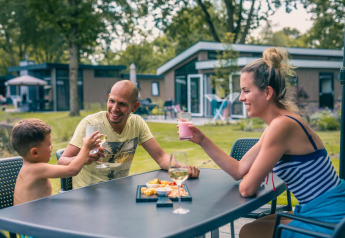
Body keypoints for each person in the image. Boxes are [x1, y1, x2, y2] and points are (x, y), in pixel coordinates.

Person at [186, 48, 345, 238]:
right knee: (258, 225)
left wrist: (253, 177)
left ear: (267, 92)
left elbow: (247, 189)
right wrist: (202, 140)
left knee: (249, 232)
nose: (241, 97)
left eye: (246, 91)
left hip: (328, 220)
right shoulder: (278, 124)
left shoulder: (282, 126)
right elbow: (238, 169)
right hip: (320, 210)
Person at [57, 80, 199, 189]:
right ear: (108, 98)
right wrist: (83, 158)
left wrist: (181, 169)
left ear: (134, 107)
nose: (115, 108)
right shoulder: (90, 123)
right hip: (89, 194)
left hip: (120, 192)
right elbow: (62, 162)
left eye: (122, 104)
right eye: (112, 101)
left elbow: (161, 157)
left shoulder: (137, 123)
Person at [11, 118, 101, 205]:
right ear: (35, 152)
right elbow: (72, 170)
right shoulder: (37, 169)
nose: (52, 147)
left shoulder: (28, 167)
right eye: (49, 144)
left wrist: (84, 158)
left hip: (33, 216)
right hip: (31, 220)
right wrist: (85, 148)